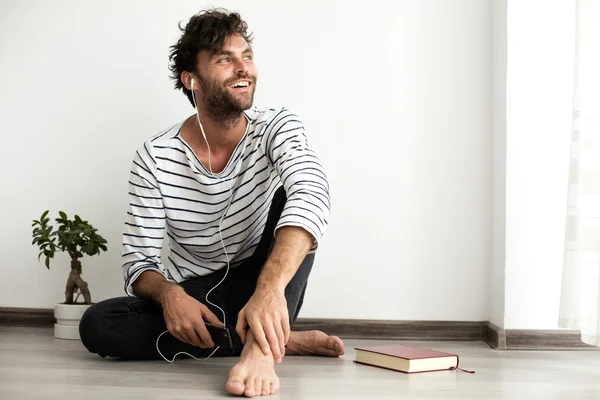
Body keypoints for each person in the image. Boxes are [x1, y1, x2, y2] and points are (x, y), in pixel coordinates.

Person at [79, 7, 344, 398]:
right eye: (225, 59)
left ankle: (259, 347)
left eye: (247, 56)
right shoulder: (155, 158)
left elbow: (312, 192)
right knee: (98, 324)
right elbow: (138, 263)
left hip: (265, 279)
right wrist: (172, 296)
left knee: (296, 201)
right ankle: (276, 337)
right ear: (192, 80)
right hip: (200, 297)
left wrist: (268, 292)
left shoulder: (277, 126)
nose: (244, 68)